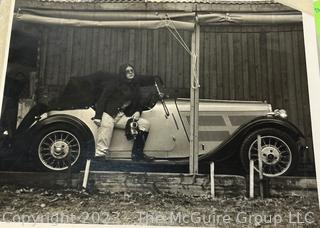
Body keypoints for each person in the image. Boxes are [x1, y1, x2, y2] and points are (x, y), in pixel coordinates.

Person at [93, 64, 155, 161]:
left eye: (132, 70)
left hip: (122, 115)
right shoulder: (114, 83)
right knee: (105, 134)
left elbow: (139, 101)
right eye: (128, 71)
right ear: (123, 73)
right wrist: (98, 116)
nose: (130, 72)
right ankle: (99, 157)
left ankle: (137, 155)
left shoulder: (135, 85)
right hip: (109, 113)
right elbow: (103, 99)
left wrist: (138, 111)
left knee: (145, 124)